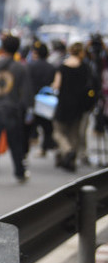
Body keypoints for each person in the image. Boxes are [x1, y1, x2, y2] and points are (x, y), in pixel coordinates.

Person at [0, 34, 33, 184]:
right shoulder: (20, 68)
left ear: (2, 47)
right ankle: (19, 173)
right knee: (15, 143)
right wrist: (29, 109)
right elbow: (27, 91)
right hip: (13, 110)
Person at [50, 39, 97, 172]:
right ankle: (71, 160)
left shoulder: (62, 67)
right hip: (78, 105)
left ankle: (67, 150)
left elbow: (56, 85)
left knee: (58, 132)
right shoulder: (85, 67)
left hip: (63, 103)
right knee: (74, 133)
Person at [26, 39, 57, 158]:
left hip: (32, 100)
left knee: (29, 126)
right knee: (47, 127)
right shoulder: (51, 67)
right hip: (46, 102)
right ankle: (44, 148)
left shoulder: (30, 66)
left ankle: (25, 151)